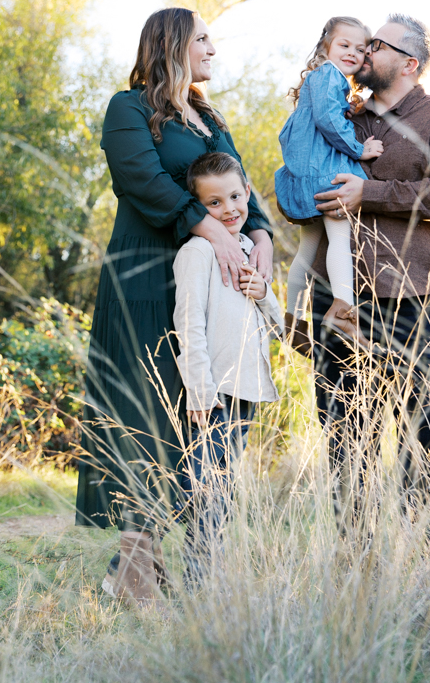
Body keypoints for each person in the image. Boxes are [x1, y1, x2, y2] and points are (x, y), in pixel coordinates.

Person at [75, 7, 274, 606]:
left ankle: (152, 566)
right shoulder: (128, 109)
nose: (213, 48)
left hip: (210, 286)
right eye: (203, 38)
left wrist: (261, 241)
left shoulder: (210, 118)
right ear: (173, 44)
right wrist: (212, 232)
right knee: (148, 413)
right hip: (145, 277)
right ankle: (135, 568)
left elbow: (239, 185)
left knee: (197, 417)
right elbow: (143, 180)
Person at [310, 14, 430, 534]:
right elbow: (302, 178)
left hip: (420, 302)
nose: (365, 51)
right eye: (364, 43)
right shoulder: (340, 114)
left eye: (378, 44)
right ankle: (356, 565)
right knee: (346, 444)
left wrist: (371, 194)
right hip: (344, 304)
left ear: (409, 63)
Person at [173, 152, 283, 583]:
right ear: (199, 208)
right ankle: (192, 577)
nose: (229, 209)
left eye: (235, 197)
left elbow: (277, 322)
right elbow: (188, 323)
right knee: (203, 490)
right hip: (214, 393)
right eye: (214, 202)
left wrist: (263, 291)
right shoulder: (198, 252)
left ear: (248, 193)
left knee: (223, 489)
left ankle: (207, 575)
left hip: (246, 389)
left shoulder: (249, 249)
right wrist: (200, 390)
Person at [275, 17, 383, 348]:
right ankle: (343, 311)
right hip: (325, 174)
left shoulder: (324, 79)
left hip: (310, 175)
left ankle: (292, 321)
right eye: (344, 45)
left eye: (360, 49)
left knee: (307, 250)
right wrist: (359, 150)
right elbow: (328, 121)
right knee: (340, 239)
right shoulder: (328, 76)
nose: (352, 53)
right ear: (326, 47)